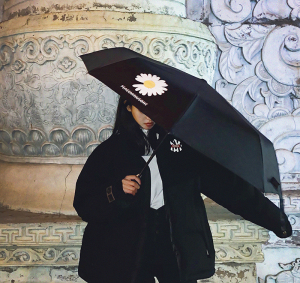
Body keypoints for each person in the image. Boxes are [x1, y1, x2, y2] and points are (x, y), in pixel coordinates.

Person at [73, 97, 292, 283]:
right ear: (128, 106)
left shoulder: (181, 147)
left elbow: (228, 186)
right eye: (142, 107)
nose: (149, 116)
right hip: (126, 250)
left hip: (174, 241)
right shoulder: (110, 152)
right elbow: (84, 203)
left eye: (155, 108)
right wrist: (116, 192)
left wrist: (275, 219)